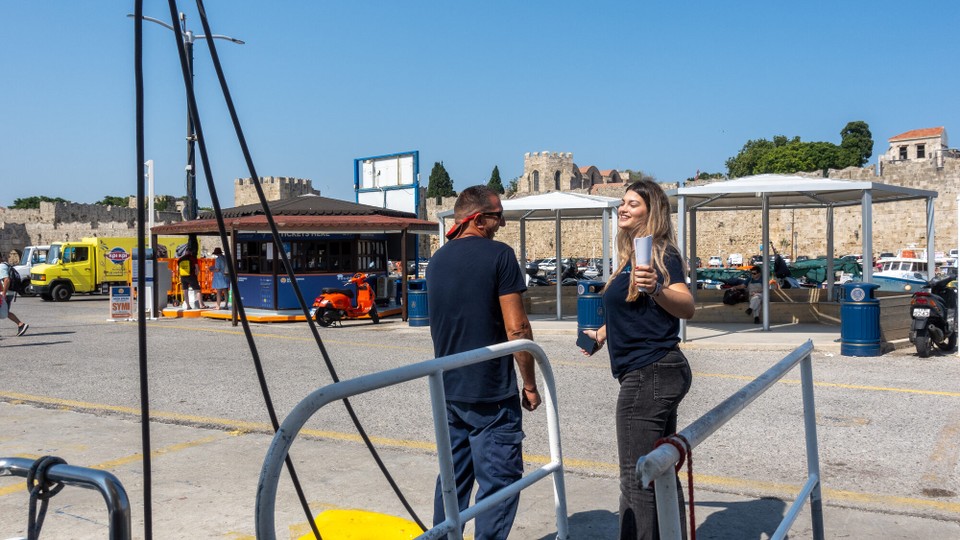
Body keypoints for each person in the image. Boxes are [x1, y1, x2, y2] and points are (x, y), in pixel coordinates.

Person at [580, 180, 695, 540]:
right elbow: (636, 313)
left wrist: (657, 288)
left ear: (652, 211)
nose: (623, 208)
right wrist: (602, 334)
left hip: (649, 372)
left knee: (636, 478)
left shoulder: (661, 253)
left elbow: (687, 306)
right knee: (658, 471)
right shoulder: (632, 255)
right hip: (656, 370)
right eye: (622, 202)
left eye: (633, 204)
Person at [427, 185, 541, 539]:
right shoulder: (500, 256)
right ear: (478, 219)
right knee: (499, 482)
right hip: (491, 392)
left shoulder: (436, 261)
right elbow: (517, 327)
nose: (502, 224)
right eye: (498, 217)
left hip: (448, 389)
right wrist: (530, 384)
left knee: (453, 480)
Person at [0, 261, 29, 337]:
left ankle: (21, 324)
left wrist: (3, 293)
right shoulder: (5, 265)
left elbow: (7, 280)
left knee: (4, 312)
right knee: (5, 312)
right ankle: (21, 324)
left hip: (5, 294)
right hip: (8, 293)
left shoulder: (1, 267)